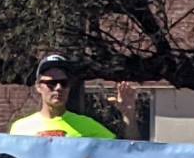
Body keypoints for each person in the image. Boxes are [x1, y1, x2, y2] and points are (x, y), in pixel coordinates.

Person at [8, 53, 137, 138]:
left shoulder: (87, 125)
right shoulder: (19, 128)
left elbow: (128, 154)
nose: (58, 88)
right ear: (38, 86)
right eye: (51, 83)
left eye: (64, 83)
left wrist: (129, 114)